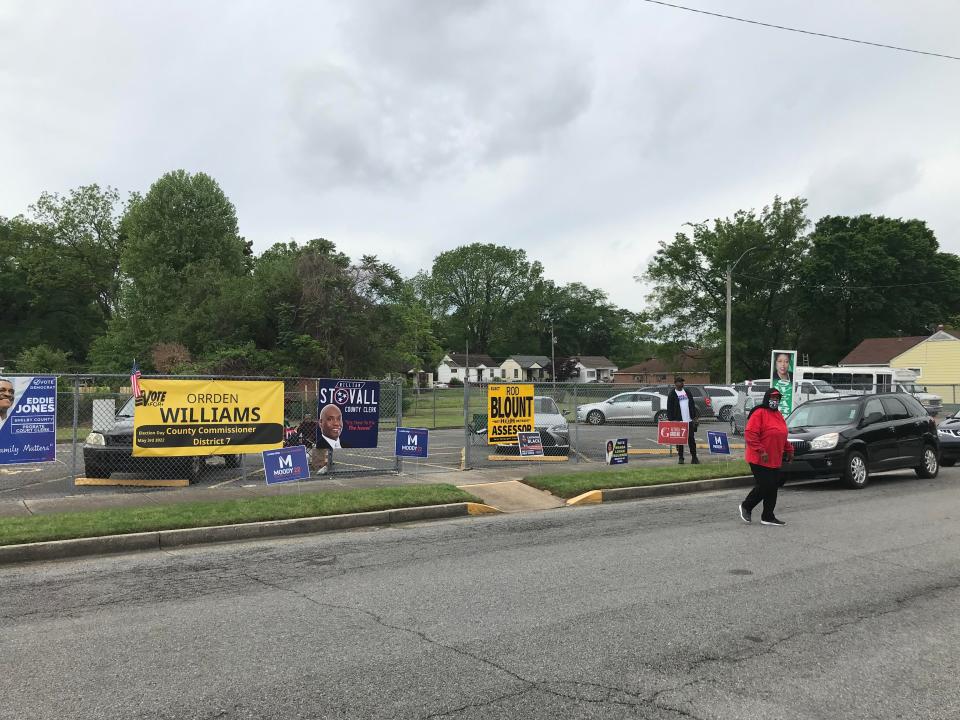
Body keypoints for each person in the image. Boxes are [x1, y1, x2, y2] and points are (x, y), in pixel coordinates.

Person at [739, 388, 794, 526]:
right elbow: (750, 434)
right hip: (759, 458)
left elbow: (781, 434)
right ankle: (746, 506)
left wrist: (789, 449)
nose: (775, 401)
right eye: (772, 398)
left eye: (777, 399)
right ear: (767, 398)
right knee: (766, 485)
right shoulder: (759, 413)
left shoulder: (778, 415)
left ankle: (768, 516)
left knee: (773, 487)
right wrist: (761, 450)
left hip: (774, 458)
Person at [666, 376, 699, 464]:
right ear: (675, 383)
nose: (681, 383)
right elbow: (669, 408)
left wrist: (694, 417)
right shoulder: (672, 394)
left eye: (682, 382)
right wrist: (671, 420)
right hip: (679, 421)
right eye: (680, 382)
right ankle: (681, 458)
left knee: (691, 440)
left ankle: (694, 457)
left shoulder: (687, 392)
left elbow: (692, 404)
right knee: (680, 441)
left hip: (688, 420)